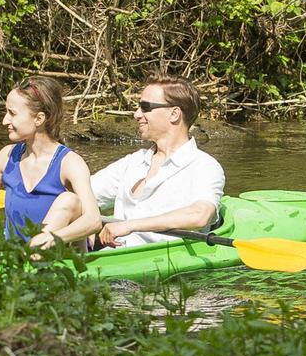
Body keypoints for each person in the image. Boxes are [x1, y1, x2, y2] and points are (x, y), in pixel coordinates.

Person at [0, 76, 101, 248]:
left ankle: (36, 252)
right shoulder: (6, 157)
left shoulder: (70, 163)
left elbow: (93, 220)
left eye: (12, 113)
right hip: (16, 256)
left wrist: (50, 238)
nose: (4, 121)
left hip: (62, 254)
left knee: (69, 200)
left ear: (39, 119)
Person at [91, 73, 225, 248]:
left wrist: (131, 225)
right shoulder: (132, 162)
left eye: (145, 107)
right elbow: (83, 193)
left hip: (165, 263)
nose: (136, 114)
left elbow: (200, 215)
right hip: (115, 257)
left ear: (174, 114)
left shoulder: (205, 166)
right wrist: (85, 224)